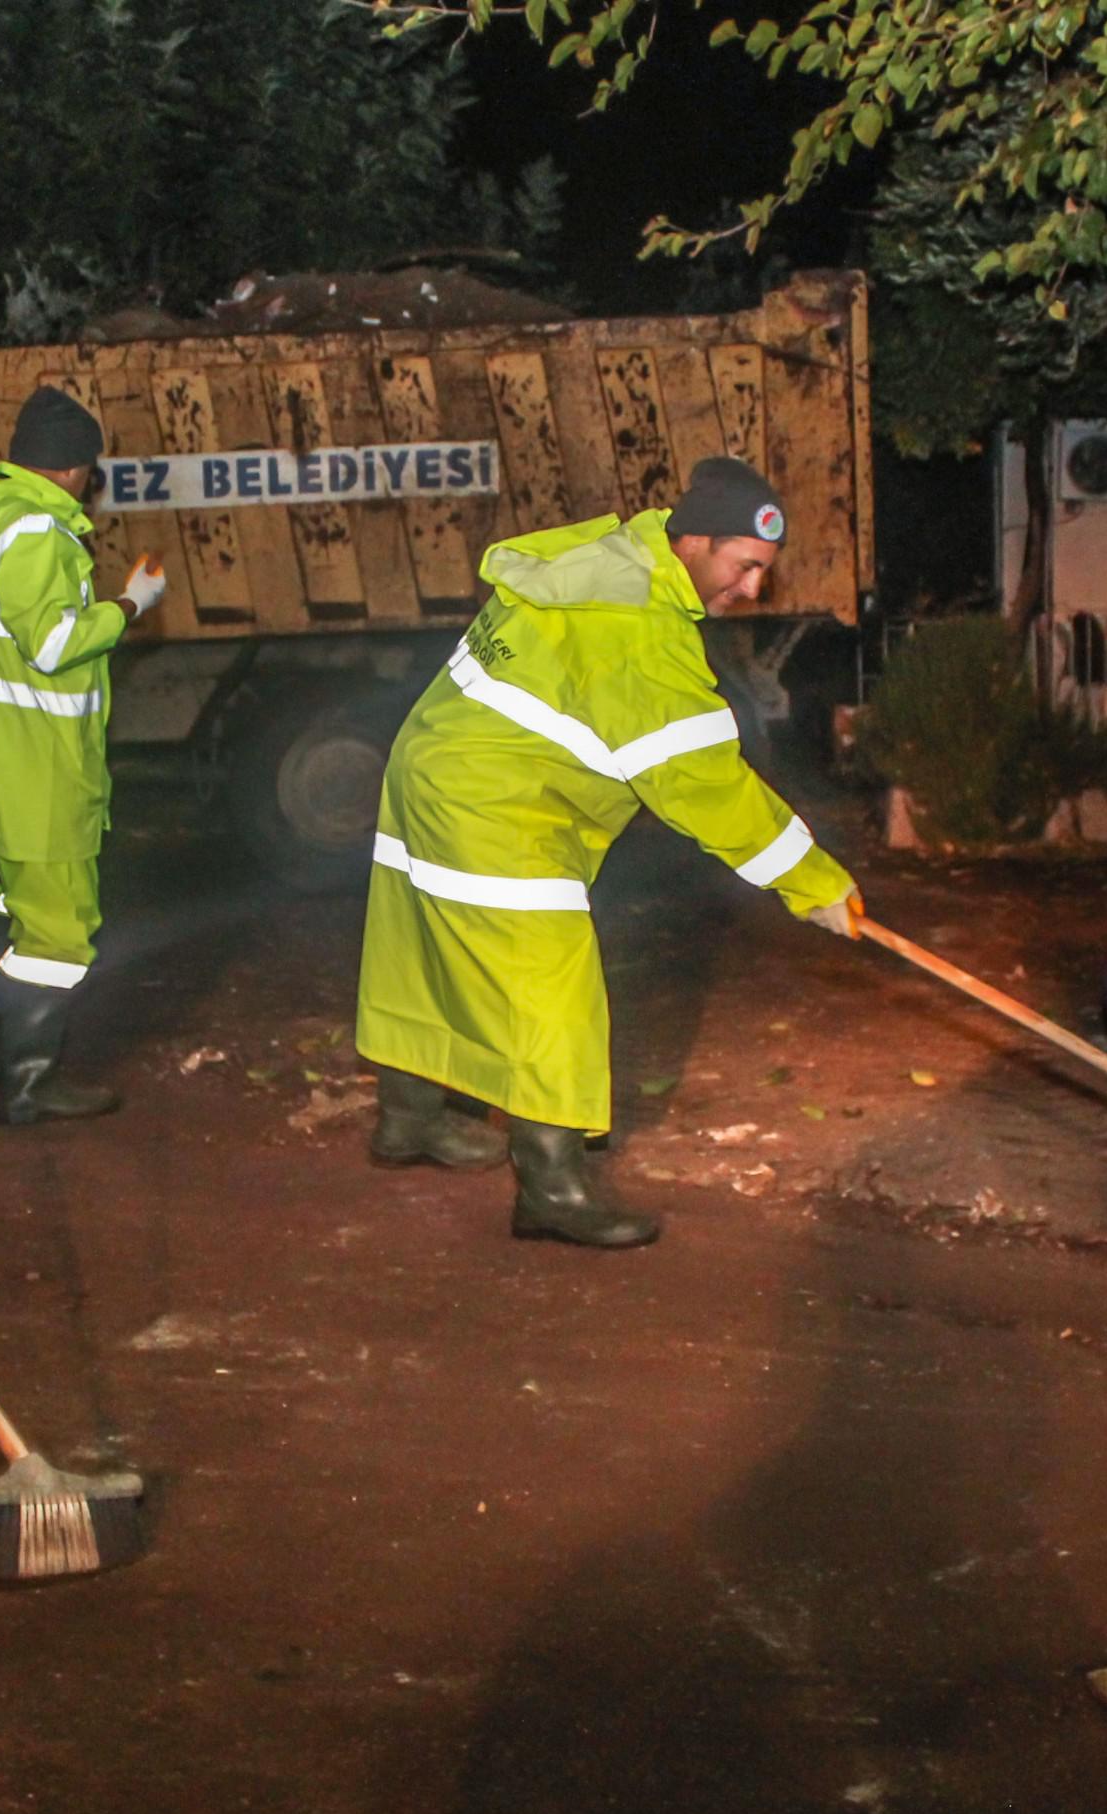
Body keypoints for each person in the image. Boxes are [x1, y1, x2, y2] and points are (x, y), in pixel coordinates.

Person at [356, 456, 861, 1250]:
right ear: (694, 541)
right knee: (551, 991)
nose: (754, 590)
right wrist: (812, 881)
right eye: (745, 566)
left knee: (427, 950)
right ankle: (552, 1187)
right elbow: (703, 782)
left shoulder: (610, 553)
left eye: (763, 571)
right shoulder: (640, 628)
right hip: (496, 802)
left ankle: (410, 1117)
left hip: (433, 762)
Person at [0, 387, 164, 1123]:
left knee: (22, 903)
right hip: (36, 765)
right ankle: (29, 1078)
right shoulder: (36, 530)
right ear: (68, 470)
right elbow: (54, 644)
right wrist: (130, 605)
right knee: (60, 930)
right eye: (89, 470)